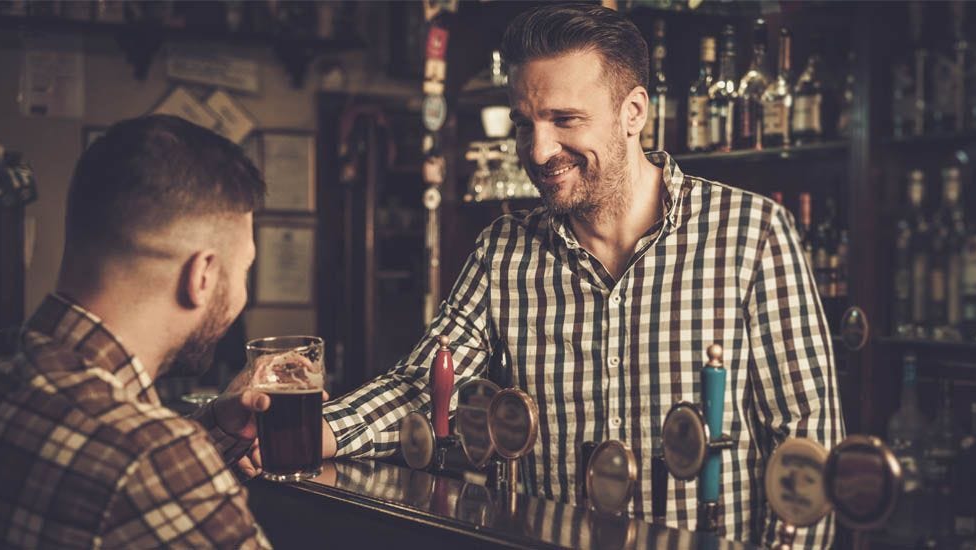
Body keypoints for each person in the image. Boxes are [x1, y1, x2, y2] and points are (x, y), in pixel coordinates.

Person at [322, 4, 842, 547]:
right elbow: (426, 388)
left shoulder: (752, 234)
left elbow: (807, 448)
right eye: (525, 124)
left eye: (565, 120)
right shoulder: (504, 251)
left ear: (633, 111)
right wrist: (318, 429)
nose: (539, 150)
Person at [0, 115, 282, 548]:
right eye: (244, 269)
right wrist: (186, 451)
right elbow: (137, 464)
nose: (241, 292)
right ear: (202, 275)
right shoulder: (154, 459)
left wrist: (211, 428)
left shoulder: (9, 367)